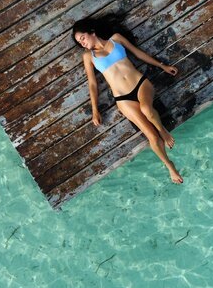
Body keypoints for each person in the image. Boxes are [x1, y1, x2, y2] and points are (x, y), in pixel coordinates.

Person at [72, 15, 183, 184]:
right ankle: (169, 166)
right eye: (79, 42)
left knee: (147, 110)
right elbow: (93, 84)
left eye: (82, 38)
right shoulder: (89, 57)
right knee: (151, 137)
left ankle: (163, 130)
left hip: (140, 84)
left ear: (92, 32)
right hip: (123, 98)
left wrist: (162, 66)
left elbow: (138, 54)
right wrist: (95, 109)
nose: (82, 43)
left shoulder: (116, 39)